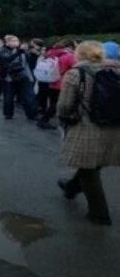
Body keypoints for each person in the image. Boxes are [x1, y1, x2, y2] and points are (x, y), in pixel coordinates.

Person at [56, 41, 120, 226]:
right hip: (114, 125)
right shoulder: (116, 71)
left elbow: (65, 105)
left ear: (80, 54)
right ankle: (71, 187)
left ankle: (99, 214)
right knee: (91, 164)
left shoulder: (76, 73)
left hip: (87, 126)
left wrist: (64, 119)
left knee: (88, 168)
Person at [0, 35, 38, 121]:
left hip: (24, 76)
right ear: (7, 43)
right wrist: (18, 52)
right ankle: (8, 114)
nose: (16, 42)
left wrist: (34, 55)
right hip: (9, 77)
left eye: (17, 40)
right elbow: (6, 59)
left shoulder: (23, 50)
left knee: (29, 96)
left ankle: (31, 114)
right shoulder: (3, 50)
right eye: (13, 41)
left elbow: (31, 63)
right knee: (9, 97)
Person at [37, 40, 76, 130]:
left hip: (51, 81)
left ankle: (46, 118)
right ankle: (44, 120)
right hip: (61, 82)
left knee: (52, 102)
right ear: (68, 47)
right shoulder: (68, 56)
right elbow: (76, 66)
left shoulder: (50, 54)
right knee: (56, 103)